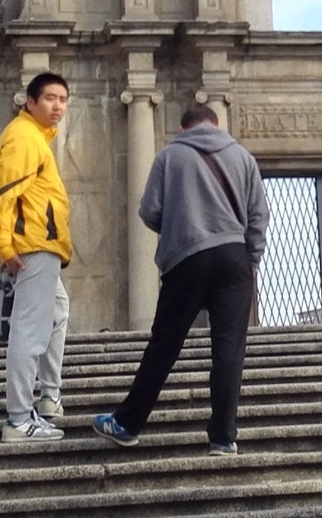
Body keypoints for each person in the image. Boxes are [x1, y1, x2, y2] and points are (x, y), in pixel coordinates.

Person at [95, 103, 269, 455]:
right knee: (229, 348)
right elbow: (258, 215)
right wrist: (251, 258)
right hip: (234, 256)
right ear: (216, 124)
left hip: (187, 257)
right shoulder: (243, 156)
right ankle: (223, 436)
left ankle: (128, 423)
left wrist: (181, 224)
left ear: (183, 127)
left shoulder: (169, 156)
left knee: (165, 344)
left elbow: (149, 210)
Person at [0, 72, 75, 441]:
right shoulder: (24, 137)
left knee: (57, 311)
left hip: (44, 245)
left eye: (63, 99)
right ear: (31, 102)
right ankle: (20, 419)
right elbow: (2, 194)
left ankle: (49, 397)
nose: (58, 105)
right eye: (50, 98)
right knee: (30, 330)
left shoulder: (36, 139)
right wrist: (4, 247)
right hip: (34, 244)